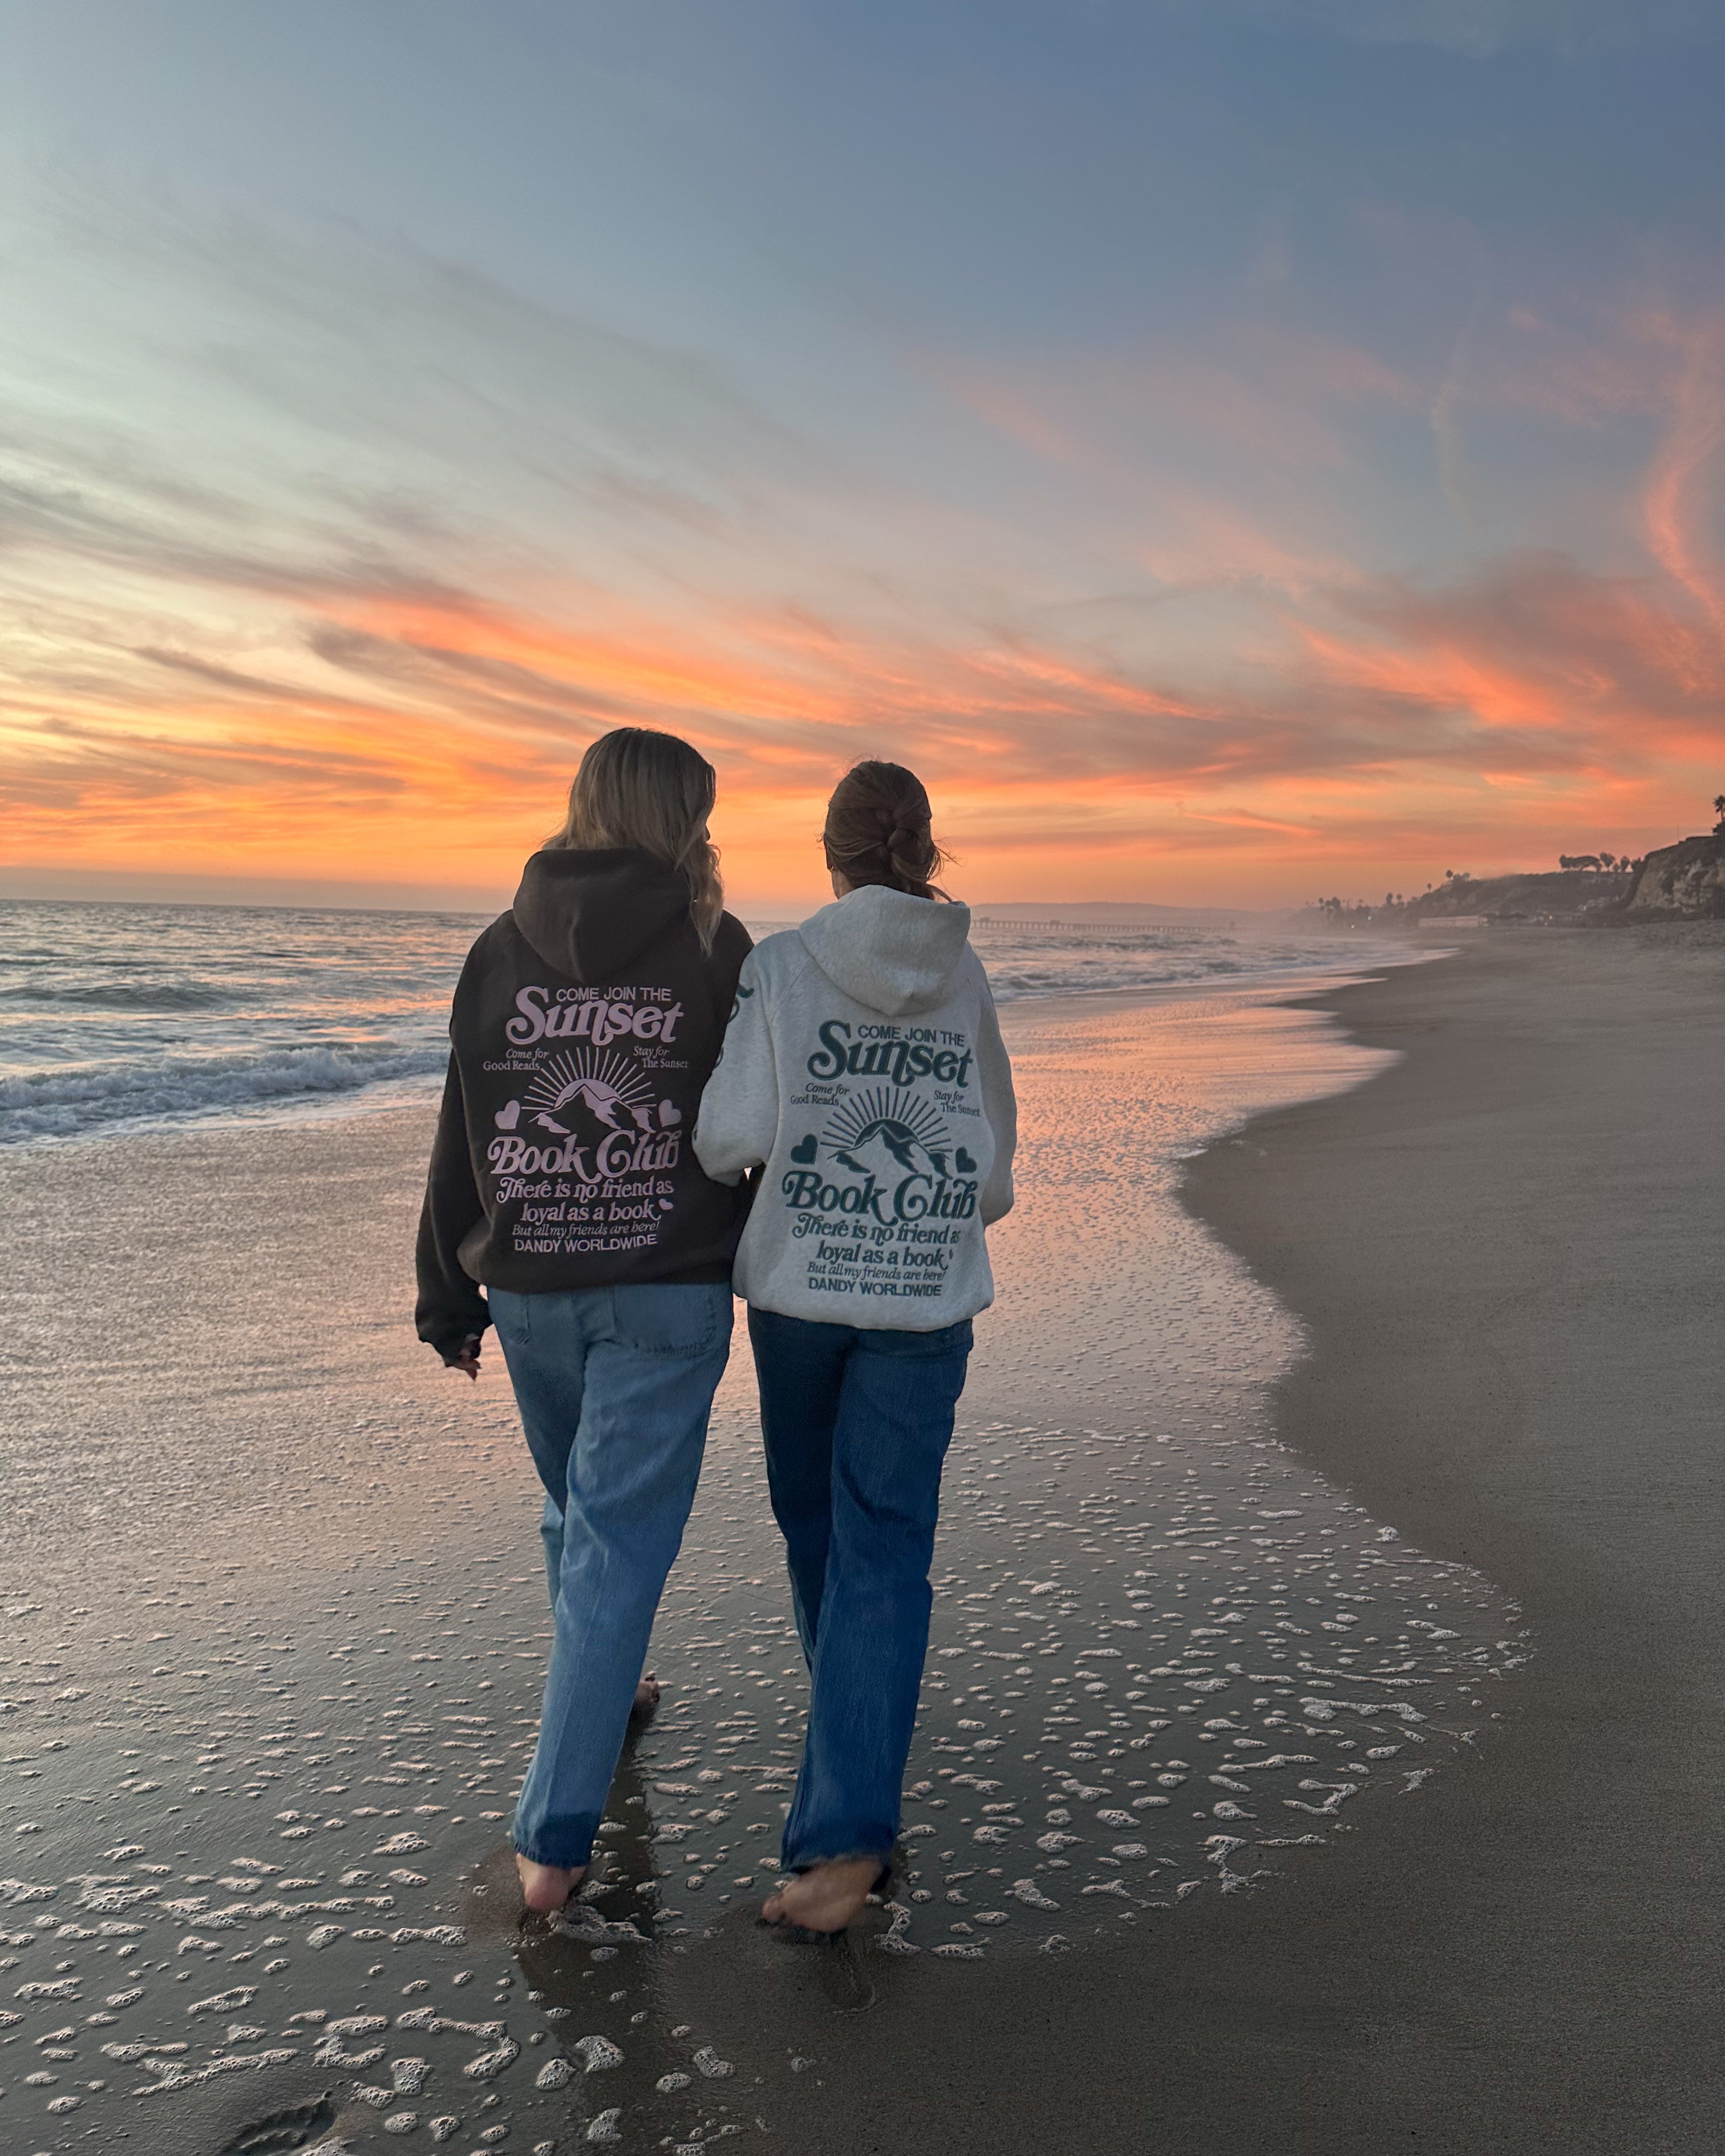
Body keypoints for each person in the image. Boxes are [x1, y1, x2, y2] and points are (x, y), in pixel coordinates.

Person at [415, 727, 752, 1914]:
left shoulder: (500, 949)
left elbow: (465, 1134)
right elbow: (750, 1120)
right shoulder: (715, 947)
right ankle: (555, 1840)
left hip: (532, 1288)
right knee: (604, 1534)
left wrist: (447, 1293)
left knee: (579, 1514)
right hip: (665, 1282)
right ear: (679, 820)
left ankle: (607, 1698)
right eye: (701, 816)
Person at [694, 759, 1017, 1935]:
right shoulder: (965, 973)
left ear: (830, 851)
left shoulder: (779, 967)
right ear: (928, 849)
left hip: (799, 1300)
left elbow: (728, 1132)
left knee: (821, 1533)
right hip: (926, 1304)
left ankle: (846, 1828)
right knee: (884, 1547)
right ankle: (850, 1805)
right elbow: (986, 1174)